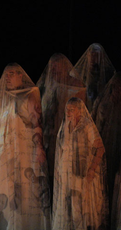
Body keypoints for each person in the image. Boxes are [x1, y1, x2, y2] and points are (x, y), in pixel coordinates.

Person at [0, 63, 50, 230]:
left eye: (12, 74)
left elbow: (37, 123)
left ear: (21, 76)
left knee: (22, 188)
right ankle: (5, 226)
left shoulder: (30, 93)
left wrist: (39, 148)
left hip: (23, 150)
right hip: (4, 150)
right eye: (6, 74)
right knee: (6, 187)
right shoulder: (2, 96)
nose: (8, 77)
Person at [52, 97, 109, 230]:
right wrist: (58, 171)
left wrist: (91, 169)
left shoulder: (86, 126)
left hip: (81, 176)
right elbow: (62, 150)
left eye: (72, 109)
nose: (68, 112)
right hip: (66, 174)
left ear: (79, 110)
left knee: (79, 211)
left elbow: (100, 148)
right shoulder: (65, 126)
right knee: (66, 209)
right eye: (67, 109)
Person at [36, 53, 86, 189]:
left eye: (56, 68)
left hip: (69, 137)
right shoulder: (48, 87)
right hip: (51, 137)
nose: (53, 71)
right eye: (51, 68)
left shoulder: (76, 85)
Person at [69, 43, 115, 112]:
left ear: (101, 57)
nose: (93, 58)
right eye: (91, 55)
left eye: (96, 55)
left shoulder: (108, 74)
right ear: (87, 55)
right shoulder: (79, 73)